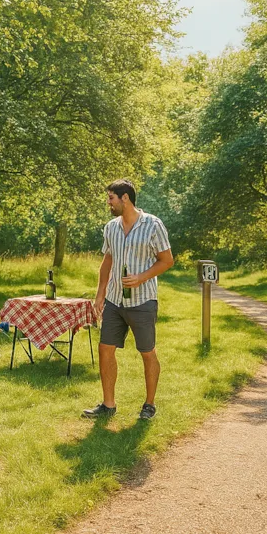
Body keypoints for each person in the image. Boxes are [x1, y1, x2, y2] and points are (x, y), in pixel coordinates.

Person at [84, 179, 174, 421]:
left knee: (147, 352)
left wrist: (141, 277)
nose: (108, 204)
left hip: (143, 301)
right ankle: (108, 404)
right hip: (115, 300)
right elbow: (107, 262)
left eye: (111, 199)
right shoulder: (111, 228)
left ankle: (149, 404)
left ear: (125, 198)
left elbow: (167, 261)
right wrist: (100, 295)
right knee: (105, 349)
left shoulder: (153, 225)